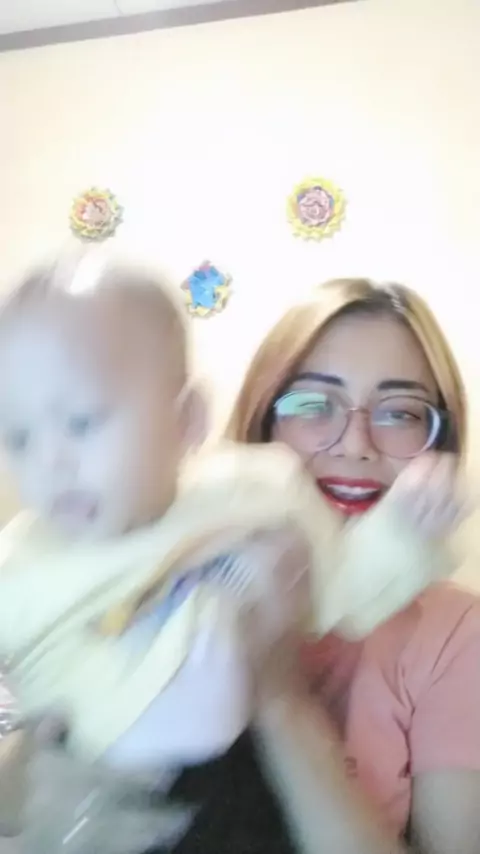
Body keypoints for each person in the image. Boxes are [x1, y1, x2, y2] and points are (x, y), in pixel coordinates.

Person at [226, 278, 480, 854]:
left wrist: (281, 698)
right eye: (313, 405)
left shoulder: (458, 635)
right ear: (262, 424)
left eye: (400, 413)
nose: (356, 444)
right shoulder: (186, 574)